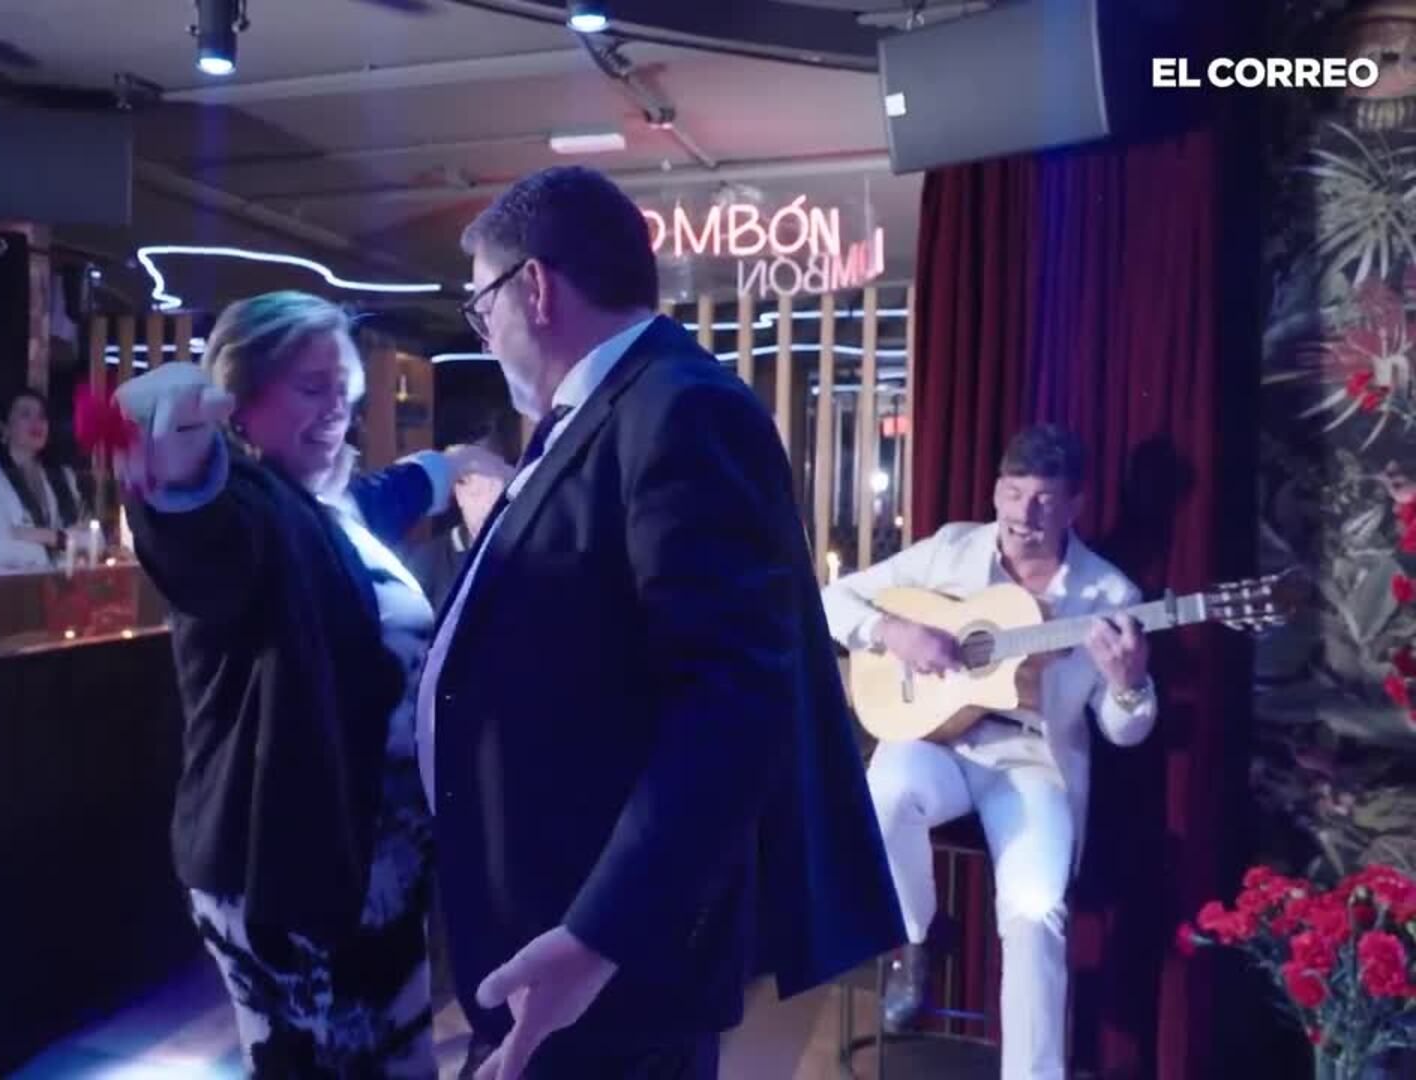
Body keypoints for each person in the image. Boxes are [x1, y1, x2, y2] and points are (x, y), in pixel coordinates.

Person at [419, 165, 903, 1080]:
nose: (483, 336)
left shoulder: (680, 407)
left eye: (482, 308)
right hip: (552, 927)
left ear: (534, 287)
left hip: (602, 956)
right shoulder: (600, 410)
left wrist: (597, 937)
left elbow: (731, 704)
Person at [110, 291, 509, 1076]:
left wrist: (454, 466)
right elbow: (203, 538)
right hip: (294, 872)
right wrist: (175, 473)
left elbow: (385, 496)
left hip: (371, 868)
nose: (336, 411)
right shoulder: (254, 510)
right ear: (241, 399)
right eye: (310, 387)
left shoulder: (328, 509)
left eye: (344, 391)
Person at [819, 424, 1157, 1080]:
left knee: (1036, 910)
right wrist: (892, 631)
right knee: (881, 795)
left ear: (1075, 505)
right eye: (1012, 493)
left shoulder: (1109, 596)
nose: (1023, 514)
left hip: (1032, 760)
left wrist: (1129, 684)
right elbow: (832, 598)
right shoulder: (952, 549)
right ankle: (919, 939)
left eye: (1044, 500)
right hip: (939, 741)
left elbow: (1125, 731)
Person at [402, 405, 518, 610]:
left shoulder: (532, 553)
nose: (489, 501)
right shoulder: (426, 564)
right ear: (456, 489)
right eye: (474, 483)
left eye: (498, 483)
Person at [0, 388, 87, 574]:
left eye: (42, 416)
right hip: (10, 586)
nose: (37, 422)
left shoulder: (63, 475)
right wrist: (60, 540)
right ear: (4, 427)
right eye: (25, 414)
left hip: (63, 584)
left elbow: (94, 540)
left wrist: (27, 534)